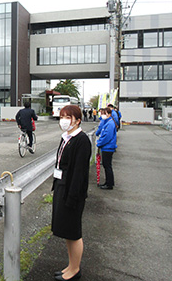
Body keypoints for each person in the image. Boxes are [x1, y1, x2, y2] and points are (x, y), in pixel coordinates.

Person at [52, 105, 91, 281]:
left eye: (68, 117)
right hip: (62, 187)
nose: (64, 120)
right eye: (62, 117)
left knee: (74, 232)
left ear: (77, 119)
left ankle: (75, 270)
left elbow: (79, 173)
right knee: (66, 231)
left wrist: (72, 197)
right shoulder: (66, 137)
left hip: (72, 191)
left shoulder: (81, 140)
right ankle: (70, 266)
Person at [96, 107, 117, 190]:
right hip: (107, 147)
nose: (102, 115)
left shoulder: (110, 124)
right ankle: (109, 182)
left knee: (107, 166)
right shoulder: (109, 122)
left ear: (109, 114)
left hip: (107, 147)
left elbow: (107, 136)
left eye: (104, 113)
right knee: (107, 165)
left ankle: (109, 184)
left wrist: (99, 143)